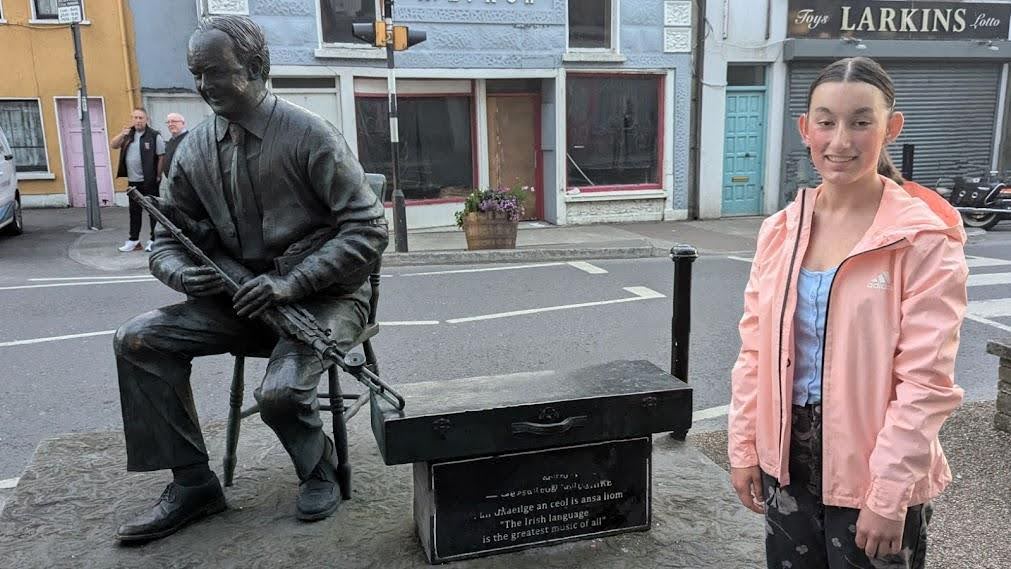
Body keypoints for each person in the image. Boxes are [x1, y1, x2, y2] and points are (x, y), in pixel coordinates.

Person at [112, 15, 388, 542]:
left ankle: (320, 467)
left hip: (322, 299)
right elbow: (167, 238)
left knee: (281, 393)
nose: (202, 86)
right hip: (234, 302)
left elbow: (368, 230)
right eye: (196, 73)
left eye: (216, 72)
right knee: (138, 339)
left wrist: (293, 283)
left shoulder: (310, 136)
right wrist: (186, 274)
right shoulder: (191, 149)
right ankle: (193, 483)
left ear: (257, 68)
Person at [728, 57, 967, 569]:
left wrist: (888, 494)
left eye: (861, 121)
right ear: (805, 129)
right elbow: (754, 352)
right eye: (826, 121)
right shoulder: (780, 232)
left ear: (891, 128)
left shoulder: (922, 239)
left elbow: (925, 382)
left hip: (875, 465)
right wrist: (746, 447)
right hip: (786, 460)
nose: (840, 141)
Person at [111, 107, 166, 252]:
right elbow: (114, 145)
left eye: (141, 118)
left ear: (146, 119)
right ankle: (133, 241)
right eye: (135, 118)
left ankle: (154, 240)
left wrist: (158, 175)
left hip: (149, 181)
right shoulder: (128, 135)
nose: (138, 120)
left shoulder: (154, 136)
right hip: (133, 181)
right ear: (132, 119)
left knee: (153, 212)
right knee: (134, 212)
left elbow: (161, 156)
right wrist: (122, 135)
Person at [161, 112, 189, 179]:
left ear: (183, 123)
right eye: (168, 122)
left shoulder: (188, 139)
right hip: (172, 181)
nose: (170, 124)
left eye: (173, 121)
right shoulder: (171, 140)